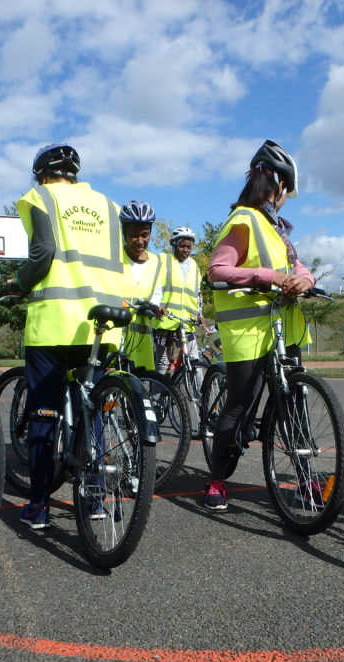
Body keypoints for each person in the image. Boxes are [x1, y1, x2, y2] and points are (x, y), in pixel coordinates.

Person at [9, 143, 125, 529]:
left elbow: (43, 252)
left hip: (56, 321)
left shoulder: (41, 196)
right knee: (91, 410)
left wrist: (19, 282)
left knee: (44, 414)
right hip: (102, 325)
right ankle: (94, 496)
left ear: (42, 173)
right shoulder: (108, 205)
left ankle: (39, 505)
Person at [202, 140, 314, 510]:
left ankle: (303, 478)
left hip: (284, 332)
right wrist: (268, 277)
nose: (286, 200)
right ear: (277, 183)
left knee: (294, 406)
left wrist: (305, 280)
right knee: (239, 408)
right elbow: (218, 270)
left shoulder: (277, 228)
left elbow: (295, 266)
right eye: (287, 192)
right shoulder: (244, 219)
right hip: (249, 334)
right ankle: (217, 480)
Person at [119, 200, 164, 371]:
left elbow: (156, 295)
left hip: (141, 343)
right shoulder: (113, 258)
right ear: (124, 234)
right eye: (133, 236)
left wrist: (154, 307)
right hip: (115, 340)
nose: (140, 241)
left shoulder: (156, 263)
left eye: (145, 235)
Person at [152, 226, 204, 374]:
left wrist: (199, 314)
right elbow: (155, 285)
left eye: (189, 246)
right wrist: (156, 305)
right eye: (182, 246)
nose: (186, 250)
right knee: (162, 363)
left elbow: (197, 294)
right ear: (174, 245)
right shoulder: (163, 260)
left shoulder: (194, 266)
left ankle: (201, 395)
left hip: (187, 322)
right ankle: (157, 394)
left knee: (194, 361)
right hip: (165, 320)